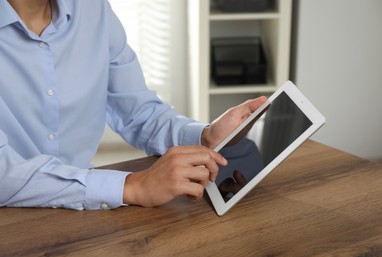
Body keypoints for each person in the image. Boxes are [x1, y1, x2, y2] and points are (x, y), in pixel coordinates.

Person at [0, 0, 267, 210]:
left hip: (81, 207)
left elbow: (138, 112)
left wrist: (204, 135)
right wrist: (131, 186)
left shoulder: (93, 9)